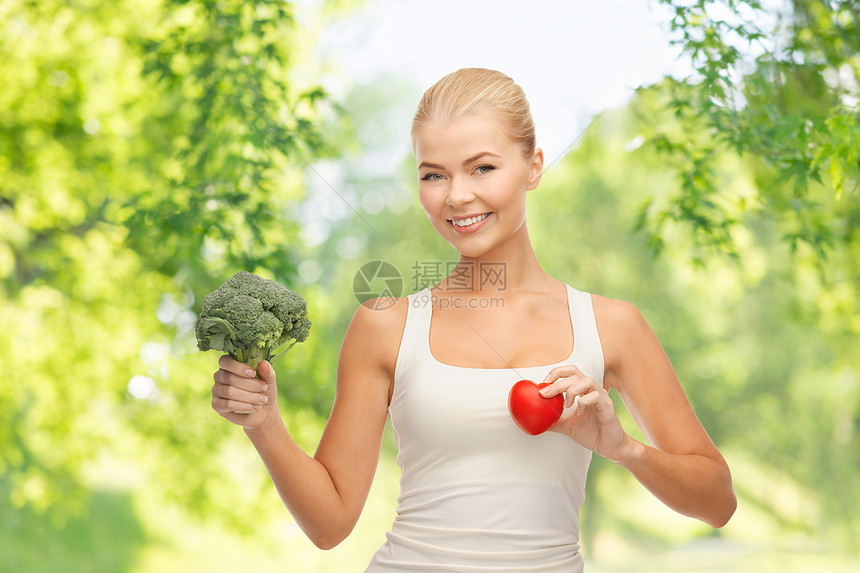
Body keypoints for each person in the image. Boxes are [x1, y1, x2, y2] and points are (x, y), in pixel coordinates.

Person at [210, 68, 737, 572]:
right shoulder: (386, 325)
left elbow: (718, 502)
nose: (457, 195)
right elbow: (330, 524)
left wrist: (623, 449)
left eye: (482, 167)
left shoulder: (611, 326)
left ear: (534, 166)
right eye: (434, 175)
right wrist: (265, 425)